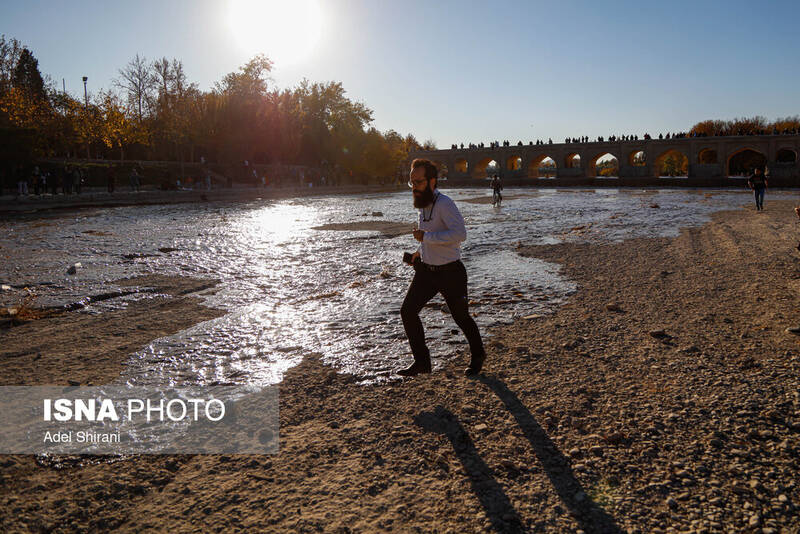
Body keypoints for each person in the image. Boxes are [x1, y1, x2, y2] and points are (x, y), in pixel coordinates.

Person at [398, 158, 486, 377]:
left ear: (432, 181)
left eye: (418, 182)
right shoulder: (422, 204)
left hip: (451, 273)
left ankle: (478, 354)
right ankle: (422, 362)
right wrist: (420, 252)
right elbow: (429, 238)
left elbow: (460, 235)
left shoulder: (445, 203)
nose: (414, 187)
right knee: (407, 312)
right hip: (427, 271)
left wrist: (427, 237)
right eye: (412, 182)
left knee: (461, 318)